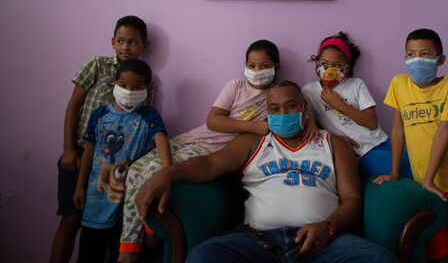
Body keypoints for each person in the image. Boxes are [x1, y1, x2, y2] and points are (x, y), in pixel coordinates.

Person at [135, 81, 399, 263]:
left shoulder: (334, 144)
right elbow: (209, 164)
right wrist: (165, 174)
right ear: (267, 113)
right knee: (203, 257)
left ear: (304, 109)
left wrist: (327, 228)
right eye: (274, 109)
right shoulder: (253, 142)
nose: (282, 113)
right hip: (258, 242)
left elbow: (352, 199)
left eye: (291, 106)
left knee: (380, 259)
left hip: (323, 242)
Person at [118, 40, 318, 261]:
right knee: (137, 168)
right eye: (252, 65)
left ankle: (130, 251)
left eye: (264, 66)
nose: (257, 71)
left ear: (276, 67)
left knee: (154, 170)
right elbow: (213, 121)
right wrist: (253, 127)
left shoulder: (276, 96)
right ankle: (134, 236)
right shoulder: (236, 86)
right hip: (192, 139)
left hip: (213, 149)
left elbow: (299, 111)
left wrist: (310, 122)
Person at [374, 29, 448, 262]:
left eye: (425, 54)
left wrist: (430, 179)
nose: (416, 59)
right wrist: (395, 172)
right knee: (436, 253)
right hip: (424, 186)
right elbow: (398, 129)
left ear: (441, 59)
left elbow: (443, 131)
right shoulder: (399, 84)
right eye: (410, 54)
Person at [50, 16, 152, 263]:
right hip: (80, 151)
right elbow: (74, 104)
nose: (126, 47)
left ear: (144, 45)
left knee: (108, 222)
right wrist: (67, 148)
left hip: (114, 163)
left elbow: (143, 117)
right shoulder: (97, 64)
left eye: (133, 42)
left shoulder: (146, 77)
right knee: (72, 218)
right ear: (112, 42)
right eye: (120, 40)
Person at [73, 59, 171, 263]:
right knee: (89, 255)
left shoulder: (149, 116)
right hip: (96, 201)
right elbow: (89, 151)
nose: (129, 92)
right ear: (115, 84)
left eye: (137, 87)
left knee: (127, 254)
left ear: (147, 87)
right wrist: (80, 186)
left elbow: (161, 142)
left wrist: (168, 173)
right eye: (124, 86)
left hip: (127, 208)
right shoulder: (99, 115)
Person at [302, 32, 411, 178]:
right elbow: (311, 125)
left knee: (416, 165)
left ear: (345, 68)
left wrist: (339, 104)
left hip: (381, 140)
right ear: (317, 64)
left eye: (336, 65)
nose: (329, 69)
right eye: (324, 64)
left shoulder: (356, 84)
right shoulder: (310, 91)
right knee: (407, 171)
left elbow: (372, 123)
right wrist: (336, 140)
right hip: (361, 152)